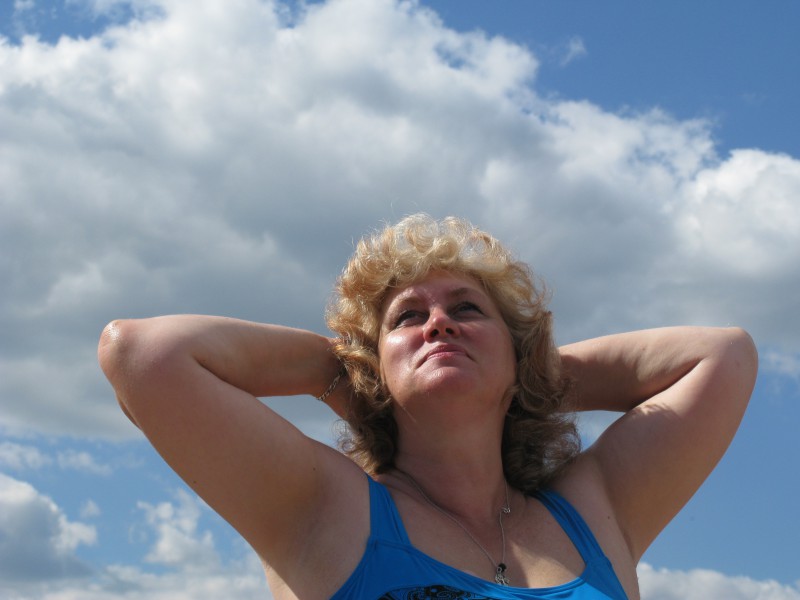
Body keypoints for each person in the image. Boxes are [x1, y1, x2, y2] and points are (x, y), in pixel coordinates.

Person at [98, 214, 757, 599]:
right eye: (408, 318)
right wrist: (346, 374)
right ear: (373, 365)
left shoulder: (594, 508)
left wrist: (528, 375)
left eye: (466, 310)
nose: (439, 323)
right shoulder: (324, 509)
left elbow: (722, 356)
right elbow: (142, 354)